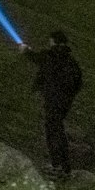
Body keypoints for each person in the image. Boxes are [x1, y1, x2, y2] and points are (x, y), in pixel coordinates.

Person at [17, 30, 83, 177]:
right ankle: (63, 167)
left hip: (53, 100)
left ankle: (58, 166)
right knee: (57, 129)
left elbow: (38, 58)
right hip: (63, 102)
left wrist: (26, 50)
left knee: (53, 131)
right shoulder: (70, 60)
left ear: (53, 41)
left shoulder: (52, 55)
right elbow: (78, 83)